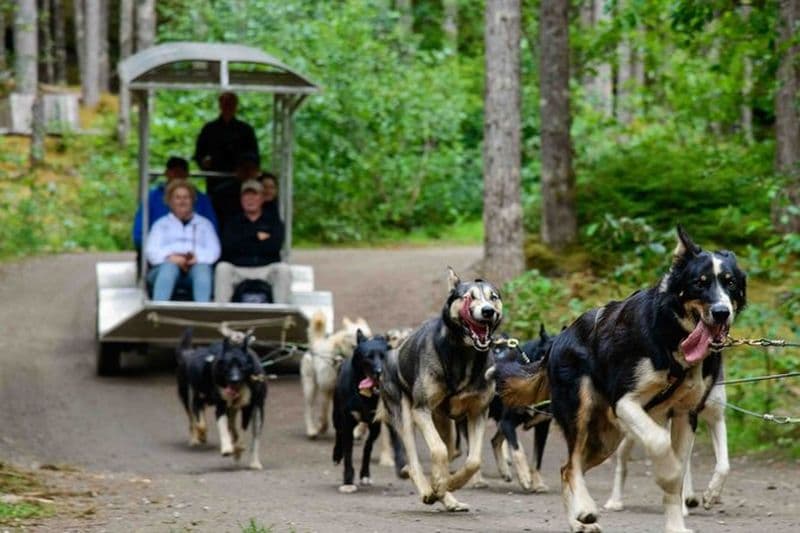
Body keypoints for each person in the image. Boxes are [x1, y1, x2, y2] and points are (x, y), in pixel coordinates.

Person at [214, 179, 292, 304]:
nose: (250, 199)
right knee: (222, 268)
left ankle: (281, 314)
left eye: (254, 195)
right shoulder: (232, 222)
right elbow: (229, 247)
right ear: (241, 199)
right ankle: (221, 316)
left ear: (262, 198)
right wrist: (257, 236)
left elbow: (274, 246)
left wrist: (244, 238)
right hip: (239, 268)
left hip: (266, 268)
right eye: (246, 195)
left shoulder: (273, 221)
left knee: (283, 270)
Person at [146, 180, 221, 302]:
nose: (182, 201)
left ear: (192, 200)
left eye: (186, 197)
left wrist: (197, 258)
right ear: (170, 201)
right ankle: (159, 311)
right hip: (164, 269)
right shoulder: (160, 225)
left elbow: (214, 251)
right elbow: (151, 253)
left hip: (195, 267)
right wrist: (172, 257)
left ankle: (203, 314)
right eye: (177, 198)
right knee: (169, 268)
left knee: (202, 270)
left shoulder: (204, 224)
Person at [193, 92, 259, 230]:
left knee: (239, 212)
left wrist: (246, 170)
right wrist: (203, 162)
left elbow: (255, 156)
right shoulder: (209, 129)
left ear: (236, 106)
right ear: (220, 105)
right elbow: (199, 154)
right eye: (225, 103)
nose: (228, 106)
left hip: (241, 180)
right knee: (216, 212)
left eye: (231, 103)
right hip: (215, 180)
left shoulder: (245, 130)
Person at [132, 156, 218, 250]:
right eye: (174, 171)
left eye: (181, 172)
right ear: (166, 173)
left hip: (195, 252)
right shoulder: (152, 197)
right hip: (159, 251)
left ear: (187, 174)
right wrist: (152, 250)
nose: (178, 175)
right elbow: (139, 232)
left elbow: (212, 230)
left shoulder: (202, 199)